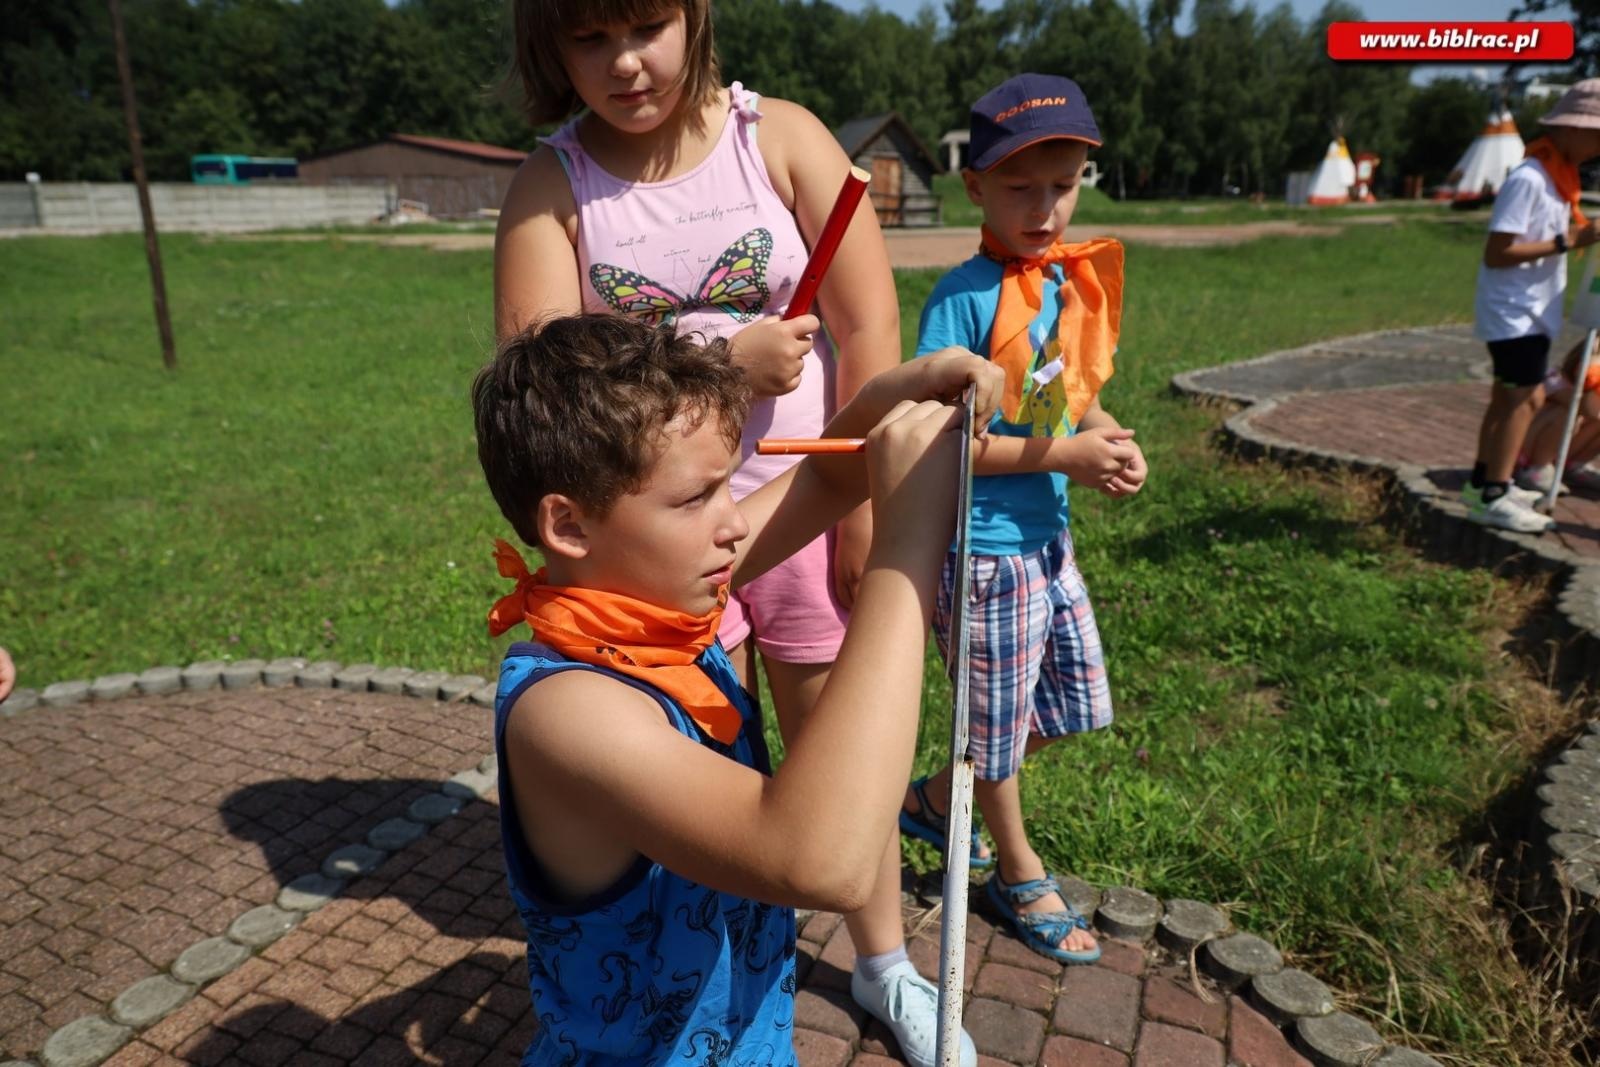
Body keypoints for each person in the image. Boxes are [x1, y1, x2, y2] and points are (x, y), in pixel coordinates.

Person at [490, 4, 939, 1053]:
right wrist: (728, 374)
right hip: (648, 550)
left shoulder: (775, 135)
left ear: (696, 15)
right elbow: (552, 407)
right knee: (727, 773)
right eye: (588, 38)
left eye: (647, 23)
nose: (625, 61)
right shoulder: (551, 184)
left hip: (749, 512)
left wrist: (867, 490)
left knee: (831, 733)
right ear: (548, 48)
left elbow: (866, 320)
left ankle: (883, 963)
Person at [472, 313, 1000, 1065]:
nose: (731, 525)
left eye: (730, 486)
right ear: (569, 524)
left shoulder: (653, 602)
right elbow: (822, 860)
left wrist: (896, 392)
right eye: (697, 498)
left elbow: (820, 475)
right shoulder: (568, 712)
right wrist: (906, 546)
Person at [897, 74, 1147, 965]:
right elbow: (945, 447)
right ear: (975, 187)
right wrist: (1065, 456)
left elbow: (1065, 407)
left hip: (1048, 540)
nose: (1046, 209)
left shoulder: (1061, 286)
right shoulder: (960, 302)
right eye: (1020, 187)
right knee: (994, 738)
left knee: (1071, 703)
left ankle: (933, 796)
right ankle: (1015, 866)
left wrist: (1109, 440)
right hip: (985, 554)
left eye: (1065, 184)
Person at [1466, 79, 1600, 531]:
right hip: (1513, 311)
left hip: (1529, 310)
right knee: (1524, 401)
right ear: (1572, 129)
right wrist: (1567, 241)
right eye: (1596, 136)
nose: (1598, 148)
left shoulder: (1557, 180)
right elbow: (1497, 252)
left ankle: (1484, 480)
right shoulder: (1529, 179)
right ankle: (1494, 494)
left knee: (1507, 398)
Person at [1514, 339, 1600, 495]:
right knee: (1570, 413)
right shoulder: (1556, 380)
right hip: (1526, 447)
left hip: (1558, 450)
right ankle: (1537, 469)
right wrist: (1592, 376)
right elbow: (1586, 409)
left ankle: (1574, 465)